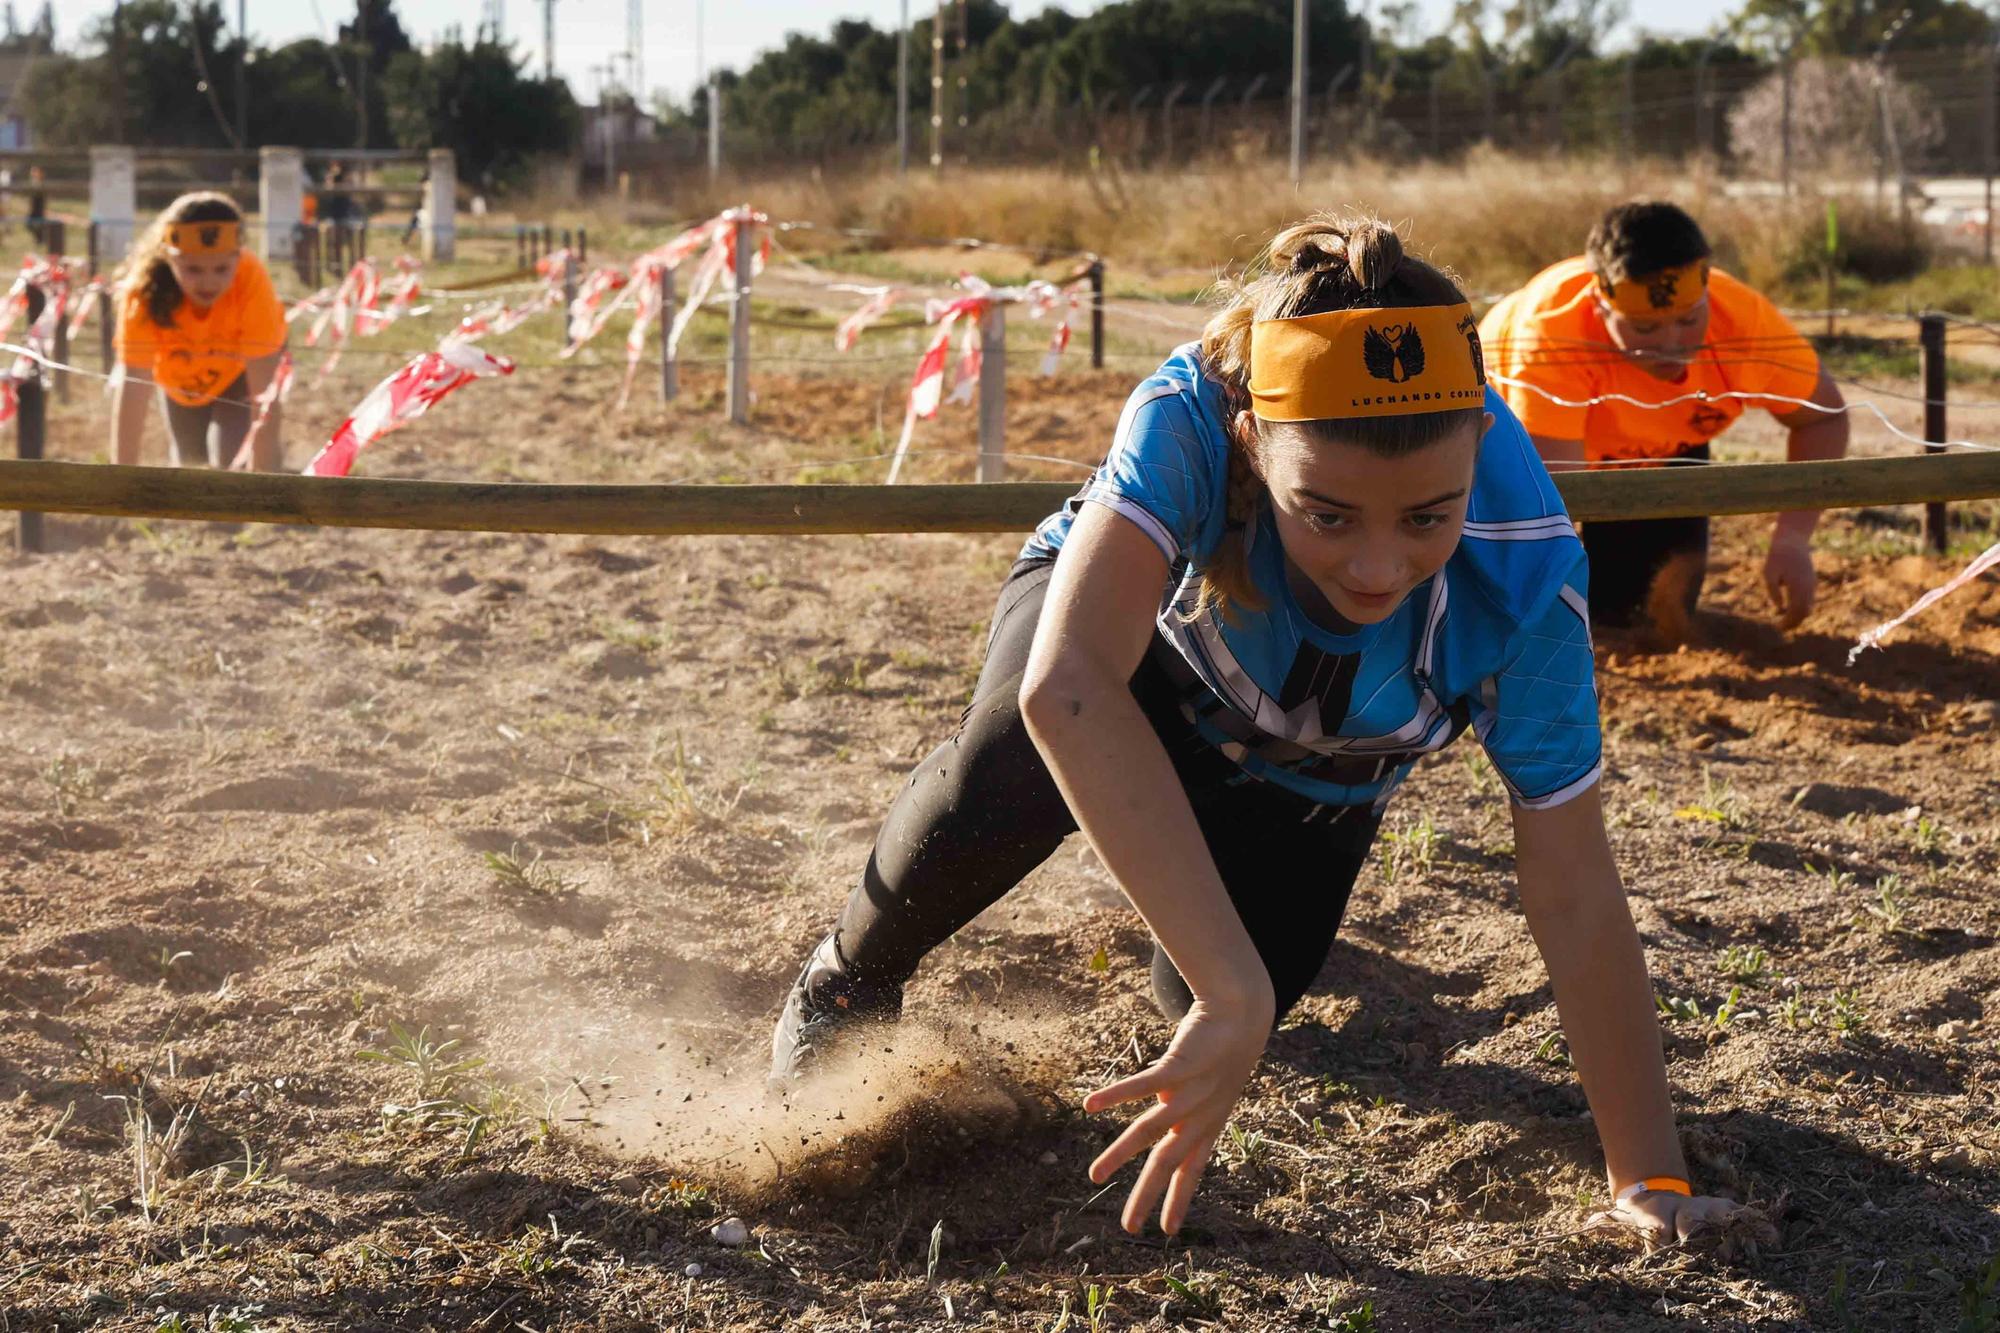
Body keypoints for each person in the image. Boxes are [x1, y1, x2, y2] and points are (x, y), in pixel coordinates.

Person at [768, 213, 1737, 1246]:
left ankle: (1203, 943)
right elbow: (1070, 688)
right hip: (1146, 667)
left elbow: (1574, 886)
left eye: (1425, 518)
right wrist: (1235, 995)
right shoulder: (1192, 414)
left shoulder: (1525, 580)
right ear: (1249, 442)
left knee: (1210, 985)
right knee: (1022, 748)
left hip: (1317, 768)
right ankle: (847, 979)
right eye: (1325, 513)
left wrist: (1649, 1178)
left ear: (1482, 445)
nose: (1373, 566)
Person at [1479, 201, 1849, 642]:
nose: (1671, 344)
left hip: (1666, 446)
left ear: (1707, 294)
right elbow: (1554, 503)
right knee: (1540, 607)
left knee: (1654, 614)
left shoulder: (1744, 322)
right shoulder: (1553, 334)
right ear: (1601, 307)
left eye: (1689, 320)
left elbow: (1823, 419)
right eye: (1644, 329)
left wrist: (1792, 538)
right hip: (1517, 451)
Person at [111, 192, 288, 471]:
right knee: (189, 464)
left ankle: (229, 513)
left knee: (231, 467)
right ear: (169, 257)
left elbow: (265, 394)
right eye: (192, 269)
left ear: (237, 256)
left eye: (221, 268)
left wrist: (262, 487)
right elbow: (134, 385)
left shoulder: (253, 281)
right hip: (178, 386)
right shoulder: (143, 293)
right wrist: (122, 477)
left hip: (237, 378)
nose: (208, 282)